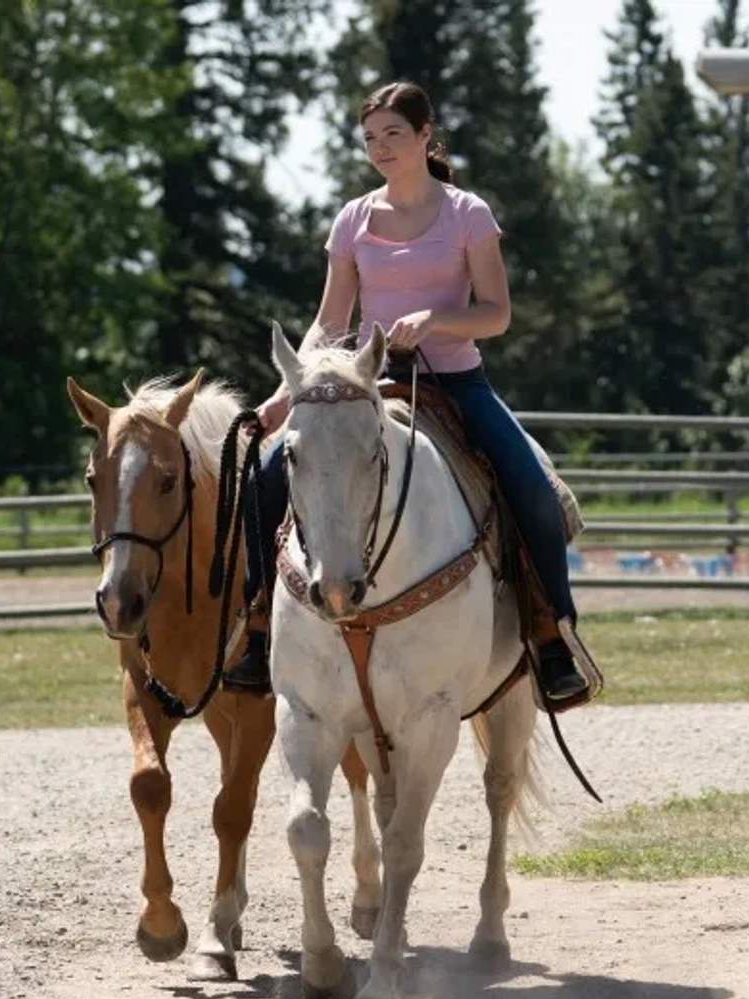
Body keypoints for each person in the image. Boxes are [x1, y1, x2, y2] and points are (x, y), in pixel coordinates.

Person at [223, 80, 586, 703]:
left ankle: (552, 635)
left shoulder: (467, 214)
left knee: (531, 486)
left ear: (425, 136)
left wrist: (437, 321)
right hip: (364, 387)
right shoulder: (354, 219)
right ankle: (258, 624)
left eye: (394, 134)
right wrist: (292, 388)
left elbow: (496, 313)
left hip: (455, 381)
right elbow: (328, 319)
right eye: (370, 138)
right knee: (261, 480)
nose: (381, 148)